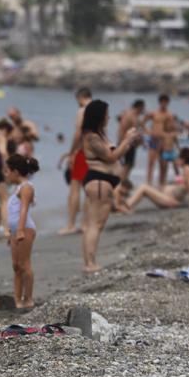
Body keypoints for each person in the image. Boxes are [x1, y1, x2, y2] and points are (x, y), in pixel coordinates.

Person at [80, 100, 141, 273]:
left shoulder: (99, 134)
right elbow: (111, 156)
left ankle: (90, 261)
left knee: (93, 224)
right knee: (95, 224)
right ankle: (90, 263)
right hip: (99, 182)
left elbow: (114, 153)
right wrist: (127, 139)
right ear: (99, 116)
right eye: (106, 114)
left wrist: (128, 140)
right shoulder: (91, 136)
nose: (108, 117)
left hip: (103, 182)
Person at [4, 154, 40, 309]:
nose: (6, 174)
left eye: (7, 171)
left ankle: (29, 298)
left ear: (16, 172)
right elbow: (13, 211)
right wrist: (10, 231)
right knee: (16, 266)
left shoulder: (26, 187)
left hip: (25, 229)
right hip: (15, 230)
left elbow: (24, 209)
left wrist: (19, 230)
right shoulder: (18, 188)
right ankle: (17, 300)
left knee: (25, 265)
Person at [58, 88, 92, 235]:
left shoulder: (82, 111)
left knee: (75, 188)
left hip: (83, 152)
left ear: (80, 97)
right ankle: (85, 223)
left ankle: (71, 224)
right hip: (95, 152)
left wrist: (71, 153)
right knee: (89, 189)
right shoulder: (100, 110)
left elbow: (78, 133)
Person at [122, 147, 189, 212]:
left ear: (183, 160)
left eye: (178, 158)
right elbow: (183, 187)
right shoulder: (185, 169)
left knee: (144, 187)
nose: (176, 160)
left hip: (171, 201)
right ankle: (127, 204)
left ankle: (127, 205)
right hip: (169, 198)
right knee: (145, 188)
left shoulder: (188, 170)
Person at [144, 94, 178, 187]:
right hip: (153, 139)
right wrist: (148, 131)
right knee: (151, 162)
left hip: (163, 141)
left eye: (165, 102)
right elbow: (142, 122)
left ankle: (161, 183)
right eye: (162, 102)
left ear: (167, 103)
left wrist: (170, 137)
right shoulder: (154, 113)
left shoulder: (169, 115)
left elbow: (174, 129)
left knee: (163, 164)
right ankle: (148, 183)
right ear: (159, 102)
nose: (164, 104)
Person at [117, 100, 145, 183]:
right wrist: (141, 141)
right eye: (143, 108)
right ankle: (121, 182)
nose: (143, 110)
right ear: (139, 107)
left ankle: (123, 181)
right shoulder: (131, 116)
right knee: (127, 164)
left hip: (126, 143)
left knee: (127, 164)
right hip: (127, 143)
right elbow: (127, 130)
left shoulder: (129, 114)